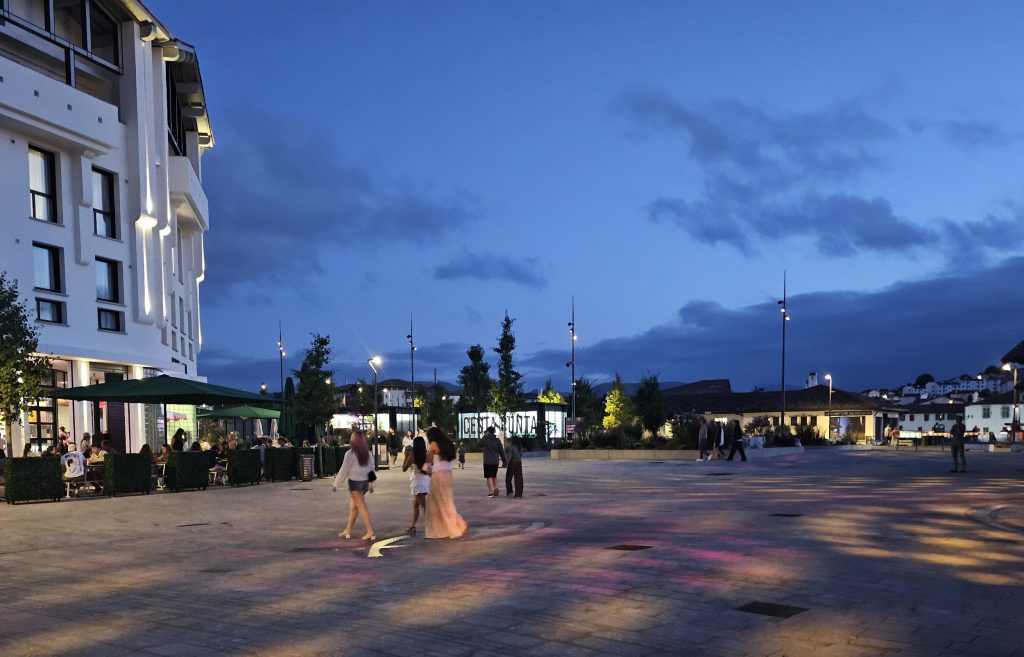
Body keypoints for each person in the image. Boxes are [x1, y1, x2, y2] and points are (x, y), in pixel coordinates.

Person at [423, 427, 468, 539]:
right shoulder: (447, 444)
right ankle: (451, 526)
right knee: (447, 501)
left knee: (434, 504)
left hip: (438, 475)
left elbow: (428, 459)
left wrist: (425, 469)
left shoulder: (433, 444)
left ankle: (440, 529)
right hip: (448, 474)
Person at [332, 430, 376, 540]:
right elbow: (371, 470)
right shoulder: (368, 454)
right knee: (353, 507)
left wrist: (336, 483)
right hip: (364, 484)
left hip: (355, 484)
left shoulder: (350, 454)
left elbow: (344, 470)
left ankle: (370, 531)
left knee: (361, 507)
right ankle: (348, 530)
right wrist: (372, 485)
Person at [402, 434, 431, 534]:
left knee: (424, 506)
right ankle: (413, 526)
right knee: (416, 504)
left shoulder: (412, 455)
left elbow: (404, 468)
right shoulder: (426, 455)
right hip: (425, 481)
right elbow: (428, 471)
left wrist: (406, 456)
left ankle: (431, 526)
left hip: (417, 482)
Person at [481, 426, 506, 497]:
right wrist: (504, 460)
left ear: (488, 432)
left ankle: (491, 492)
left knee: (488, 477)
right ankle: (496, 488)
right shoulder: (498, 440)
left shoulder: (485, 440)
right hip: (495, 462)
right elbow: (501, 451)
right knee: (494, 476)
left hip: (487, 462)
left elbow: (478, 444)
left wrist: (484, 436)